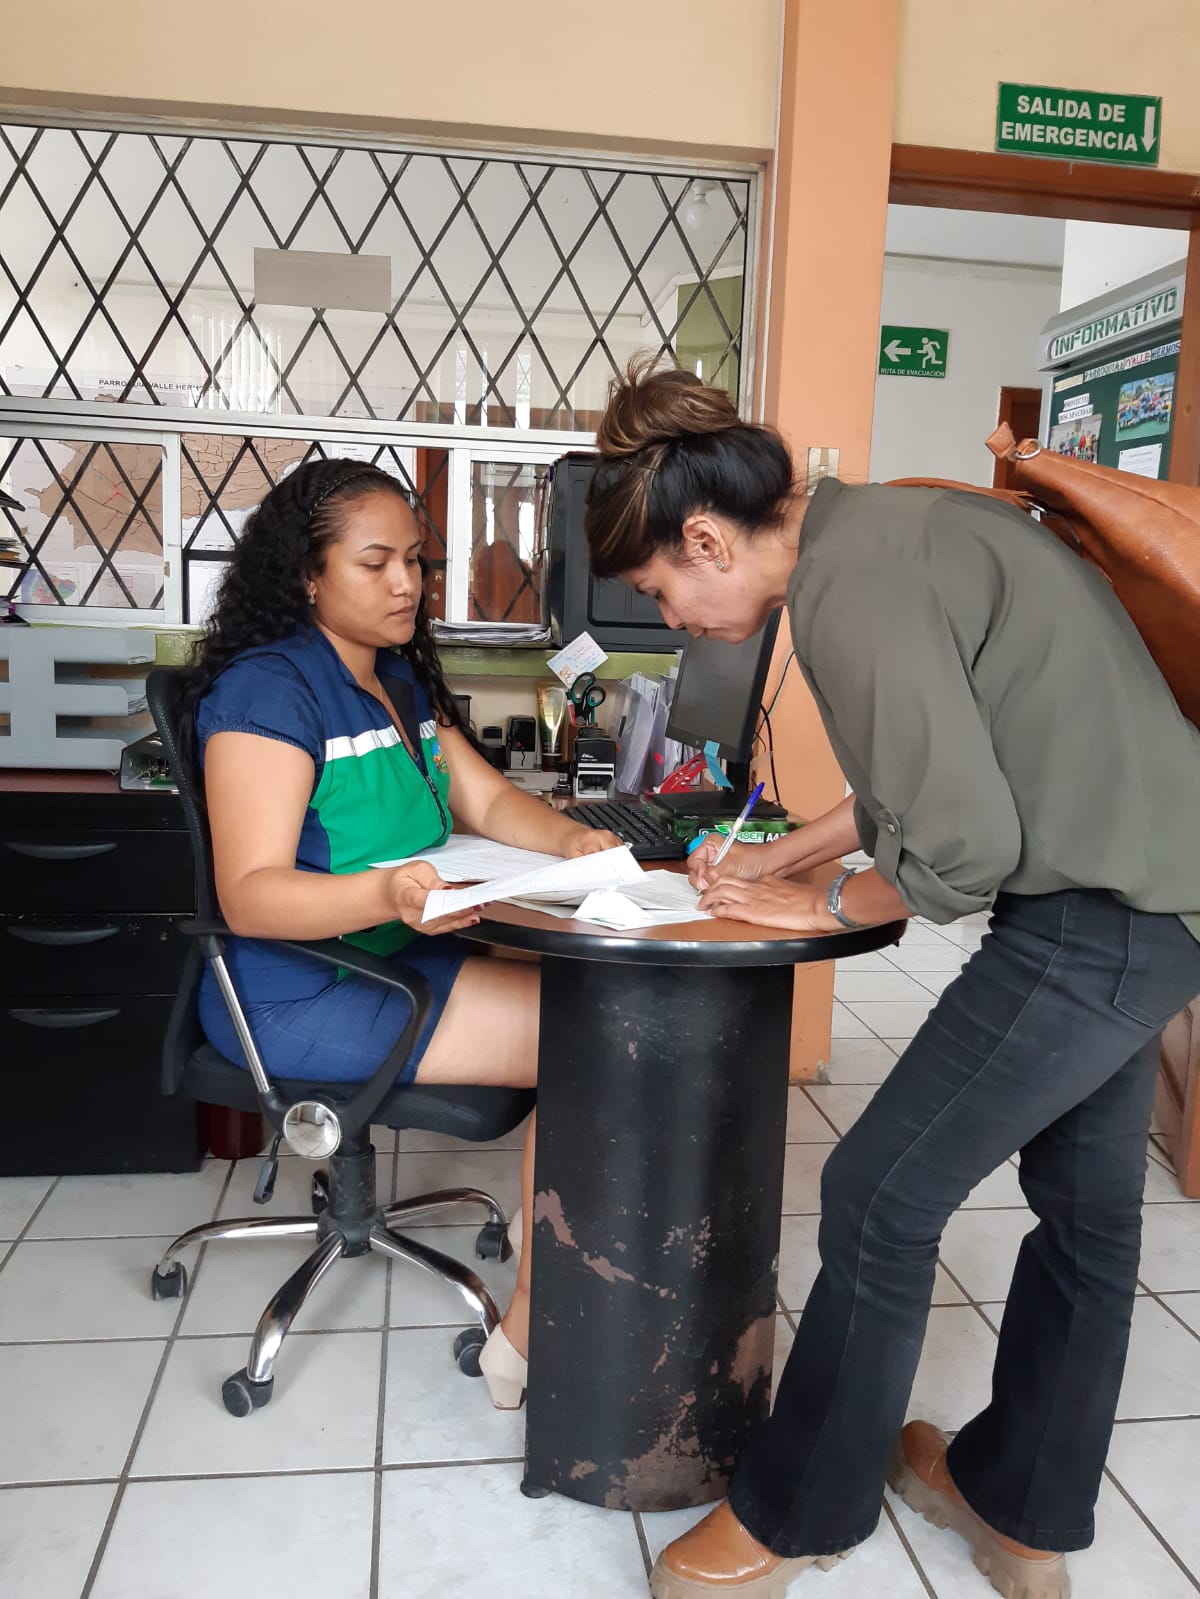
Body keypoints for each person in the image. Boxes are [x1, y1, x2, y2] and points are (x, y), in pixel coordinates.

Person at [583, 358, 1200, 1599]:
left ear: (705, 539)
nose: (677, 621)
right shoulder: (890, 526)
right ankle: (1019, 1512)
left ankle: (798, 1516)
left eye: (661, 592)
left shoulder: (851, 586)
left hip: (1092, 924)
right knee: (1089, 1211)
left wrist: (826, 900)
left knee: (877, 1193)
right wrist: (784, 856)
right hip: (1159, 896)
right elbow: (931, 771)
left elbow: (962, 843)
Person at [185, 457, 621, 1410]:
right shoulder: (269, 693)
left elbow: (488, 800)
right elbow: (250, 895)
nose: (406, 584)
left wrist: (578, 843)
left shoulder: (393, 683)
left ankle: (564, 1264)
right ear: (307, 575)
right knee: (594, 1034)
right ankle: (530, 1328)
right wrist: (390, 892)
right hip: (300, 989)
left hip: (393, 957)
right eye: (374, 562)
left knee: (606, 999)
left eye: (415, 561)